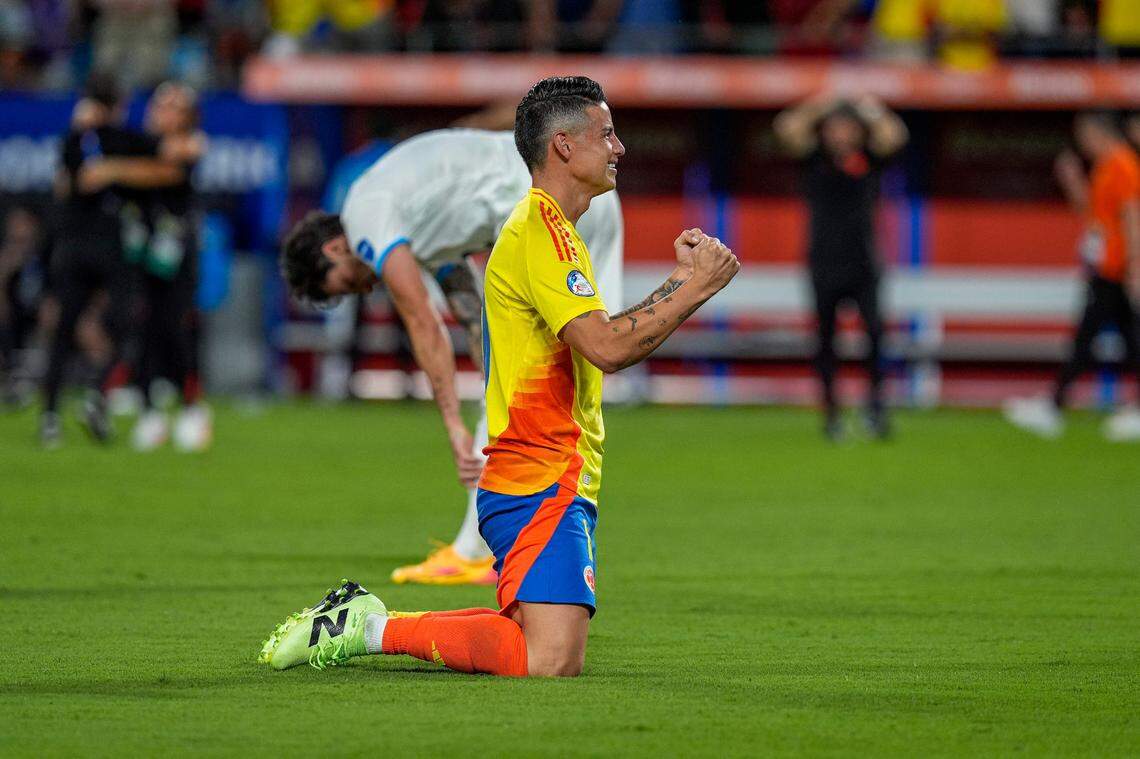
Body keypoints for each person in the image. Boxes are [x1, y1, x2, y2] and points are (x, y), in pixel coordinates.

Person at [259, 75, 739, 677]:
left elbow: (600, 335)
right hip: (538, 475)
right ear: (563, 146)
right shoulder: (539, 233)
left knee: (533, 637)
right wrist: (694, 288)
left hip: (552, 470)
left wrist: (677, 281)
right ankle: (369, 629)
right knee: (550, 659)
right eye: (608, 134)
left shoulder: (549, 231)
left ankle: (366, 621)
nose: (620, 148)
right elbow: (607, 348)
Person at [278, 127, 624, 586]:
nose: (363, 289)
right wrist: (491, 384)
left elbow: (423, 320)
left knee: (565, 368)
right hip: (580, 195)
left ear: (335, 248)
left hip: (547, 203)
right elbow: (470, 312)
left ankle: (479, 551)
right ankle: (528, 534)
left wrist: (455, 428)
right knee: (566, 372)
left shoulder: (366, 216)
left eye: (344, 282)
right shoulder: (416, 216)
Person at [39, 73, 187, 448]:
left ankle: (51, 417)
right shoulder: (125, 140)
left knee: (64, 330)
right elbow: (170, 159)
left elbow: (66, 184)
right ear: (119, 104)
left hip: (72, 247)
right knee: (127, 323)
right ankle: (98, 391)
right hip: (110, 247)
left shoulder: (75, 141)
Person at [774, 92, 908, 440]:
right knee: (826, 341)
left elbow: (896, 134)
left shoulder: (870, 157)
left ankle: (876, 411)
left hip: (865, 262)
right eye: (835, 127)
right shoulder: (815, 157)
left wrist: (867, 105)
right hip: (823, 263)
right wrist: (822, 103)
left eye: (848, 127)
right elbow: (786, 128)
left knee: (876, 336)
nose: (841, 135)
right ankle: (832, 415)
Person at [1004, 113, 1140, 441]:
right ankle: (1055, 404)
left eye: (1085, 135)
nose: (1082, 143)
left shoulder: (1122, 164)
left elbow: (1132, 214)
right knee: (1125, 340)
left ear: (1099, 132)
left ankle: (1053, 405)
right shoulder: (1105, 167)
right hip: (1105, 267)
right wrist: (1072, 180)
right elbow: (1093, 217)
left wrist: (1135, 263)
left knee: (1089, 338)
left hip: (1117, 268)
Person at [128, 82, 212, 452]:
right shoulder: (139, 145)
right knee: (144, 326)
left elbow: (167, 169)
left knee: (179, 326)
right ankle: (149, 409)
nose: (164, 112)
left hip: (177, 247)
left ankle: (192, 407)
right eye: (160, 105)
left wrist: (114, 168)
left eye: (173, 106)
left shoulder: (191, 143)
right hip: (142, 246)